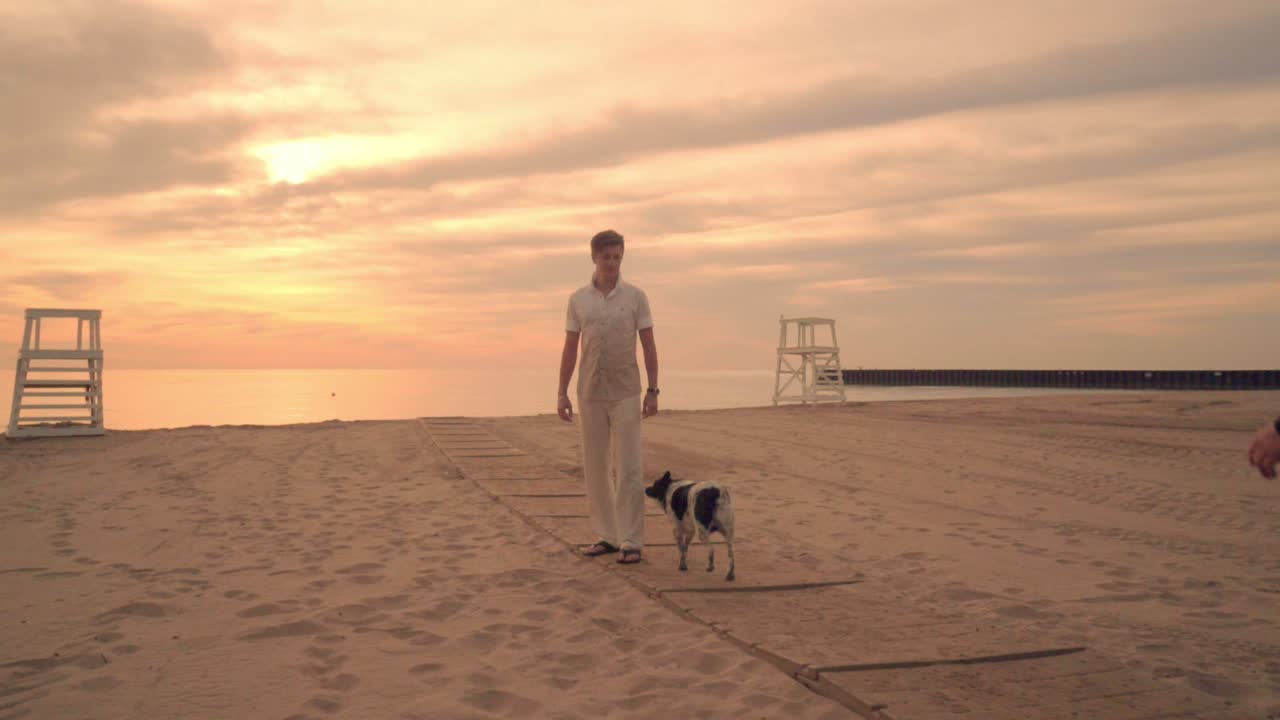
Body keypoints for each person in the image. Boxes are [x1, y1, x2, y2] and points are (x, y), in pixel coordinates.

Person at [557, 230, 659, 565]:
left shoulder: (635, 297)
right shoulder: (578, 300)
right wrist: (562, 392)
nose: (612, 263)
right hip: (589, 392)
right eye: (606, 257)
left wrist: (653, 390)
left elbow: (647, 344)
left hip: (626, 390)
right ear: (594, 258)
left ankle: (632, 541)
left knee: (628, 466)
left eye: (617, 257)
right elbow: (571, 348)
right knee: (596, 466)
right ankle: (607, 536)